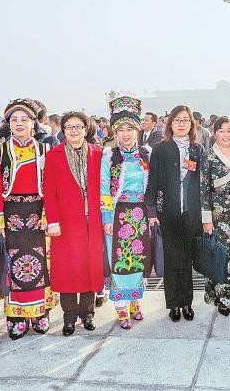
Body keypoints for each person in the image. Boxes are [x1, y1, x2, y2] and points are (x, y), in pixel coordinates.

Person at [0, 99, 56, 340]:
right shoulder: (0, 150)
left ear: (33, 123)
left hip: (37, 215)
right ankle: (16, 316)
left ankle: (40, 313)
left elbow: (50, 186)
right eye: (14, 120)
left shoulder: (44, 150)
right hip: (12, 216)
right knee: (14, 265)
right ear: (8, 123)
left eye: (24, 119)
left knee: (40, 264)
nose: (19, 124)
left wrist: (48, 214)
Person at [44, 112, 104, 336]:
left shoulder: (98, 154)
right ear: (63, 130)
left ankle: (87, 313)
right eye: (69, 127)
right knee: (67, 268)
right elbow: (49, 192)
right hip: (66, 221)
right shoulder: (54, 155)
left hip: (92, 220)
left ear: (86, 129)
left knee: (90, 266)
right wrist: (53, 221)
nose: (74, 131)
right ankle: (69, 316)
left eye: (78, 126)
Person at [146, 105, 203, 321]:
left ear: (191, 124)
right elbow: (153, 181)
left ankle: (187, 302)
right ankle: (174, 304)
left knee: (186, 259)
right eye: (177, 120)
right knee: (171, 259)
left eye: (185, 120)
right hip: (167, 211)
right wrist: (151, 210)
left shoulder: (197, 149)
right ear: (170, 123)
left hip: (190, 211)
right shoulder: (161, 149)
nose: (181, 123)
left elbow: (202, 182)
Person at [99, 96, 153, 329]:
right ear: (114, 132)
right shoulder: (108, 156)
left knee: (139, 259)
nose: (125, 134)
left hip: (140, 214)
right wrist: (107, 218)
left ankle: (135, 301)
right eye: (120, 130)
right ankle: (121, 306)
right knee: (119, 260)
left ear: (137, 129)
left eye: (129, 128)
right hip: (118, 214)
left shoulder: (147, 153)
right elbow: (104, 189)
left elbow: (153, 187)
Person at [201, 117, 230, 316]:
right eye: (221, 131)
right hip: (218, 217)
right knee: (221, 257)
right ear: (214, 134)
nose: (226, 135)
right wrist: (207, 220)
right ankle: (221, 300)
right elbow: (203, 190)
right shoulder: (208, 156)